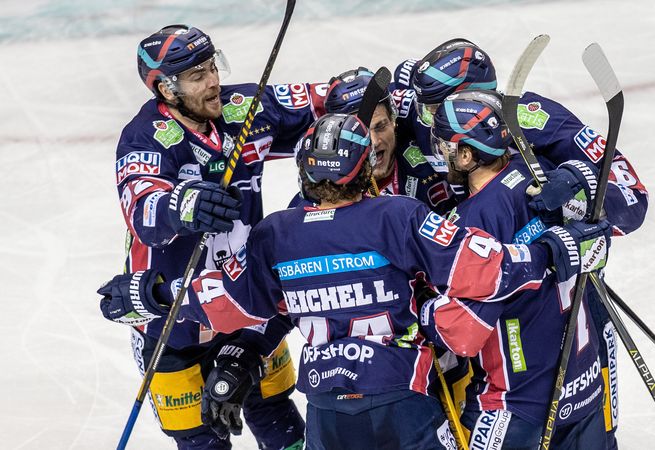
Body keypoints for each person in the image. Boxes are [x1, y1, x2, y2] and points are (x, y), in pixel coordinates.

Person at [99, 112, 612, 449]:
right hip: (401, 397)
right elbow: (487, 270)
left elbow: (225, 303)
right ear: (364, 169)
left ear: (304, 174)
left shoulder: (277, 233)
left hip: (326, 410)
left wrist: (153, 295)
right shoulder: (397, 216)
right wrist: (552, 252)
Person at [411, 38, 651, 448]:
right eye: (425, 109)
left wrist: (578, 181)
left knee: (586, 417)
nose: (429, 120)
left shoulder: (532, 117)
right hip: (488, 295)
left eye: (437, 107)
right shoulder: (431, 124)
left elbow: (631, 200)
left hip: (564, 289)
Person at [104, 24, 324, 449]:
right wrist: (183, 205)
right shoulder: (144, 137)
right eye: (198, 75)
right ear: (167, 89)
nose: (213, 82)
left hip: (244, 304)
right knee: (201, 442)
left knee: (283, 428)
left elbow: (326, 100)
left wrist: (355, 91)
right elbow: (142, 208)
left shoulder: (243, 107)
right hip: (172, 321)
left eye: (212, 67)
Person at [421, 89, 610, 449]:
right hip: (583, 390)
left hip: (519, 405)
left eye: (445, 147)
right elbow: (598, 240)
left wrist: (423, 309)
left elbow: (463, 333)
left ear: (465, 155)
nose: (440, 156)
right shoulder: (537, 177)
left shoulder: (472, 220)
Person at [291, 67, 461, 214]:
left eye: (380, 126)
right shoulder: (314, 194)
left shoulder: (426, 152)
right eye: (359, 134)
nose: (374, 141)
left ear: (394, 119)